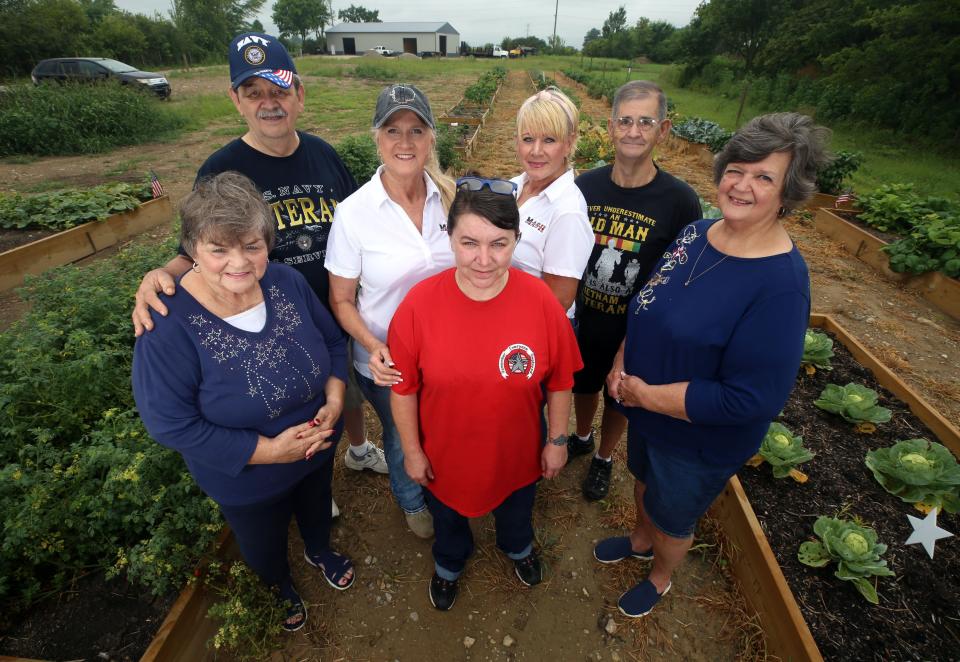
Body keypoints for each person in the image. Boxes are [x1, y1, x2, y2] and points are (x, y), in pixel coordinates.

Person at [130, 33, 388, 499]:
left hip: (337, 303)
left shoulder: (323, 154)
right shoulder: (222, 167)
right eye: (254, 94)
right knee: (289, 393)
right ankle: (308, 470)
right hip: (275, 318)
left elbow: (359, 221)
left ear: (299, 96)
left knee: (342, 384)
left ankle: (358, 447)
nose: (269, 104)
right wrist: (159, 275)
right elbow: (199, 248)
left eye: (279, 92)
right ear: (236, 100)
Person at [597, 112, 828, 618]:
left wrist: (643, 395)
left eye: (764, 177)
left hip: (698, 437)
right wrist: (620, 361)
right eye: (736, 169)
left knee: (673, 516)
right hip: (645, 410)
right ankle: (638, 538)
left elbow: (751, 398)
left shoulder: (780, 285)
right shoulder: (696, 235)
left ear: (788, 194)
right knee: (641, 480)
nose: (742, 185)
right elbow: (647, 305)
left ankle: (660, 576)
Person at [132, 172, 356, 633]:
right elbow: (170, 424)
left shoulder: (287, 282)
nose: (239, 262)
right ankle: (279, 585)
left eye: (252, 245)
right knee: (261, 539)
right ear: (192, 249)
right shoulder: (168, 323)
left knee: (317, 503)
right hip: (247, 478)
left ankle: (319, 549)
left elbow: (334, 341)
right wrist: (272, 451)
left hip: (317, 446)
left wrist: (334, 399)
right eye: (219, 250)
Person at [387, 178, 583, 611]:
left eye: (499, 244)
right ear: (450, 238)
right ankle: (449, 562)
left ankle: (517, 547)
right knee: (448, 518)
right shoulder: (419, 306)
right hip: (446, 454)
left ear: (517, 239)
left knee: (516, 510)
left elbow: (560, 380)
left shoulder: (541, 302)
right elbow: (403, 389)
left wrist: (556, 440)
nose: (483, 259)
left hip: (516, 454)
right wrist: (413, 451)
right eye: (469, 242)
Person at [325, 83, 457, 539]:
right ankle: (411, 499)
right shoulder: (355, 213)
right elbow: (341, 299)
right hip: (387, 361)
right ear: (376, 139)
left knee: (442, 425)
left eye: (416, 129)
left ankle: (444, 484)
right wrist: (373, 345)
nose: (405, 142)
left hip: (447, 352)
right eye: (393, 130)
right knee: (402, 437)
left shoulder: (451, 197)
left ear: (431, 138)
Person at [568, 80, 702, 501]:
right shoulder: (583, 187)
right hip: (586, 316)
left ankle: (605, 457)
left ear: (663, 130)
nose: (633, 131)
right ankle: (583, 435)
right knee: (584, 385)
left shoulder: (680, 200)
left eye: (645, 122)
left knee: (621, 395)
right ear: (610, 127)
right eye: (625, 121)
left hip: (636, 330)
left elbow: (680, 276)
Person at [511, 86, 593, 316]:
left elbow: (557, 301)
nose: (536, 151)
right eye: (528, 139)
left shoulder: (567, 212)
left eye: (549, 140)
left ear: (568, 143)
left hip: (534, 329)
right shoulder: (514, 186)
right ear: (517, 141)